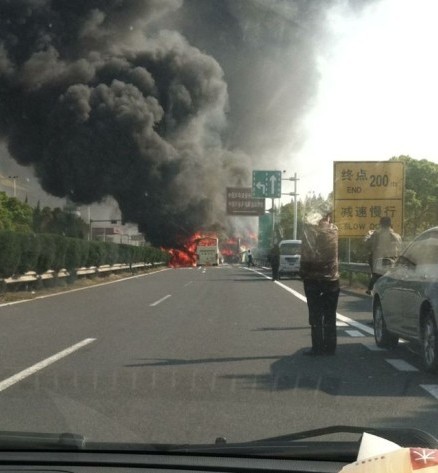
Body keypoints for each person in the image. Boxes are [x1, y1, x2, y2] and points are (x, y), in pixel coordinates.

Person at [300, 212, 340, 356]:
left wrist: (302, 272)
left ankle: (317, 347)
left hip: (313, 280)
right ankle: (330, 347)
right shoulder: (334, 231)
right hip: (332, 281)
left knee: (316, 316)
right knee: (330, 315)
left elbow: (306, 255)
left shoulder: (310, 233)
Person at [364, 216, 402, 294]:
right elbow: (401, 249)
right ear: (390, 224)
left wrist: (368, 235)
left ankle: (371, 288)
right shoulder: (397, 236)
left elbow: (367, 244)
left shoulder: (376, 235)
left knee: (376, 274)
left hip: (379, 262)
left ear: (380, 224)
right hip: (393, 262)